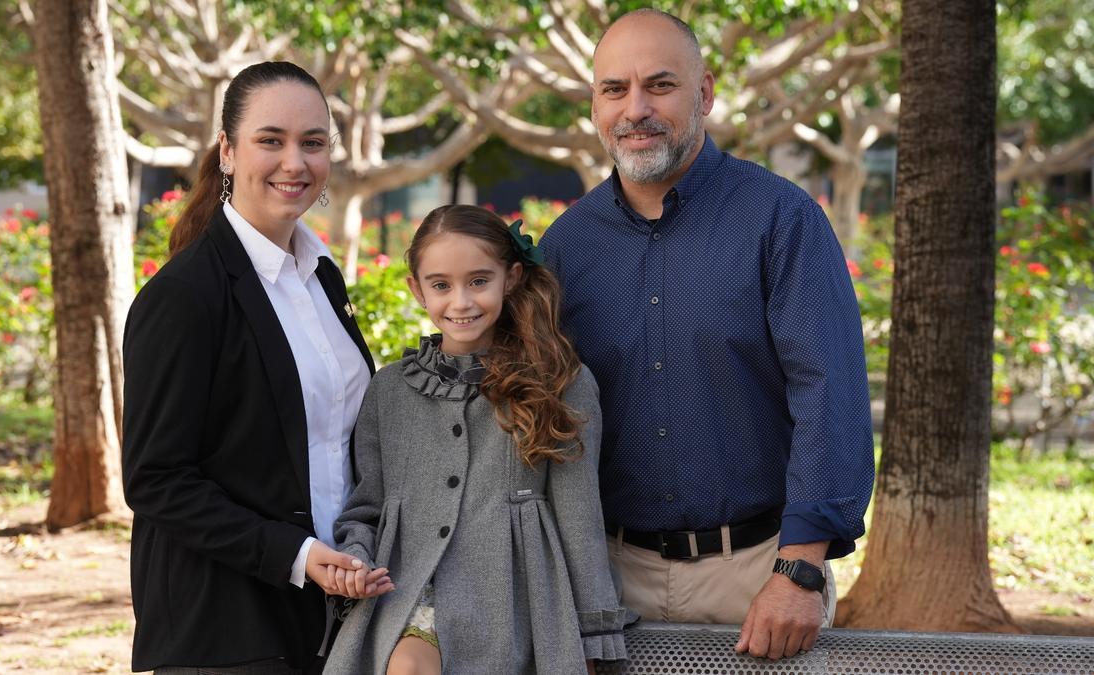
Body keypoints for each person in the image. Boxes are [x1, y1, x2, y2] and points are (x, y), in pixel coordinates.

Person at [539, 9, 875, 661]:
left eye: (659, 85)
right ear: (595, 105)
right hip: (606, 578)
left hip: (756, 576)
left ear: (706, 92)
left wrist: (800, 570)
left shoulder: (782, 219)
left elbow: (828, 394)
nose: (635, 108)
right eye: (614, 90)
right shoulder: (566, 249)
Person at [121, 61, 391, 674]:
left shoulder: (322, 276)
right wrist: (296, 553)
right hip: (225, 630)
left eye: (312, 143)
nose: (294, 163)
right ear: (227, 150)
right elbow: (156, 479)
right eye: (271, 140)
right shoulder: (184, 295)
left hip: (329, 618)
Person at [321, 205, 627, 675]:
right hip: (408, 595)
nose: (460, 302)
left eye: (478, 281)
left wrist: (594, 635)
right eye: (441, 285)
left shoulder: (561, 381)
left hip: (518, 605)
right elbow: (367, 508)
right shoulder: (389, 389)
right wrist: (355, 558)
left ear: (512, 277)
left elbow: (579, 517)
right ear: (417, 290)